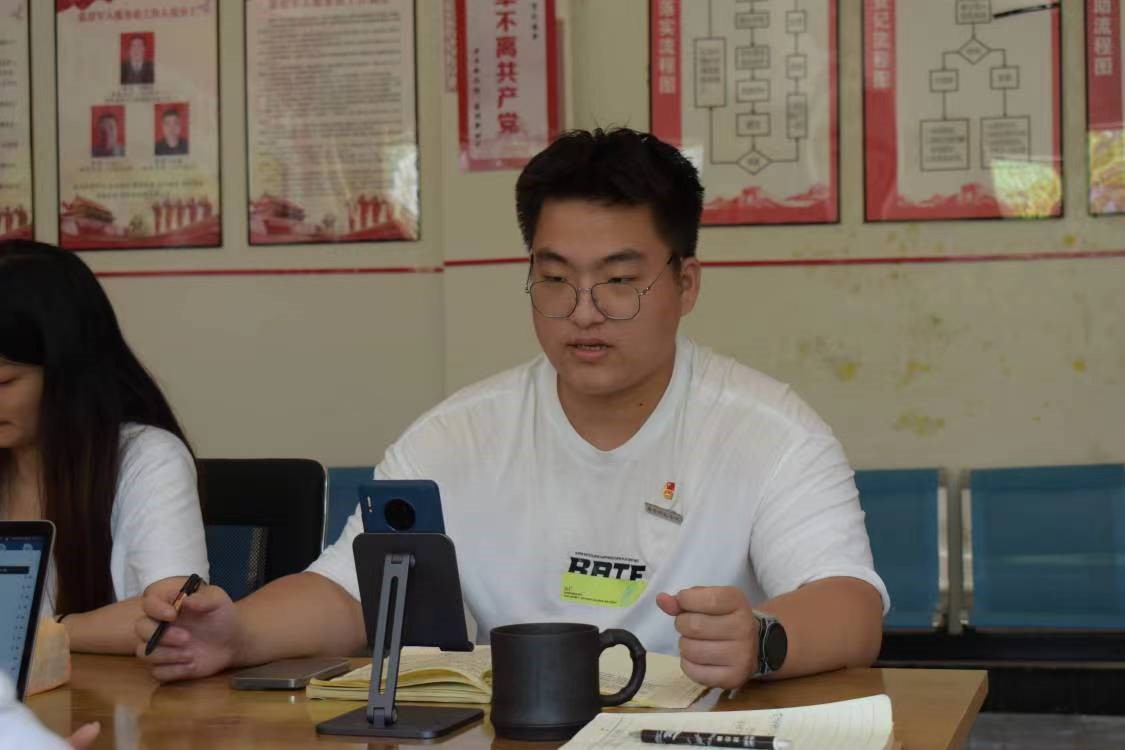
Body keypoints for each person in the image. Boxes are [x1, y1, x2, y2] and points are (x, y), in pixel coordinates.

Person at [137, 128, 886, 689]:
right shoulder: (456, 436)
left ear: (685, 284)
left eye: (619, 281)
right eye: (555, 279)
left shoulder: (769, 432)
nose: (583, 312)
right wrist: (238, 633)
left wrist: (760, 639)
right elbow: (355, 591)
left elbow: (849, 605)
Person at [0, 240, 209, 655]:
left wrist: (34, 632)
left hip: (103, 694)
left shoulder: (147, 459)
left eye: (3, 382)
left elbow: (176, 617)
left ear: (68, 373)